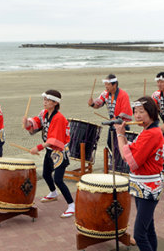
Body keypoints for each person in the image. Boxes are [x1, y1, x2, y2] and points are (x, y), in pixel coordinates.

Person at [114, 96, 164, 251]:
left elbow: (131, 160)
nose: (137, 115)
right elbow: (133, 150)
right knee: (149, 227)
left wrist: (119, 136)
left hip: (148, 186)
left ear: (151, 113)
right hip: (144, 185)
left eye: (141, 112)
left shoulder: (150, 134)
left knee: (139, 233)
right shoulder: (149, 131)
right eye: (135, 112)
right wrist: (125, 137)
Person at [22, 90, 75, 218]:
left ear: (55, 102)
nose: (44, 102)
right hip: (50, 150)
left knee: (58, 179)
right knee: (46, 174)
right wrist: (27, 123)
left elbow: (53, 139)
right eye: (44, 99)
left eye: (47, 100)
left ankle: (71, 205)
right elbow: (35, 123)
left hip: (60, 152)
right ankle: (53, 192)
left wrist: (37, 148)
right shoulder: (44, 113)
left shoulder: (59, 118)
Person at [87, 74, 133, 150]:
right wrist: (92, 104)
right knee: (110, 143)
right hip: (113, 123)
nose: (106, 86)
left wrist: (116, 119)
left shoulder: (124, 95)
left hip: (122, 124)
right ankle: (115, 159)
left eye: (108, 85)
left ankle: (120, 159)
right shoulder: (105, 93)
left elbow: (125, 110)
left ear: (115, 85)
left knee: (121, 144)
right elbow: (98, 104)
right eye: (105, 84)